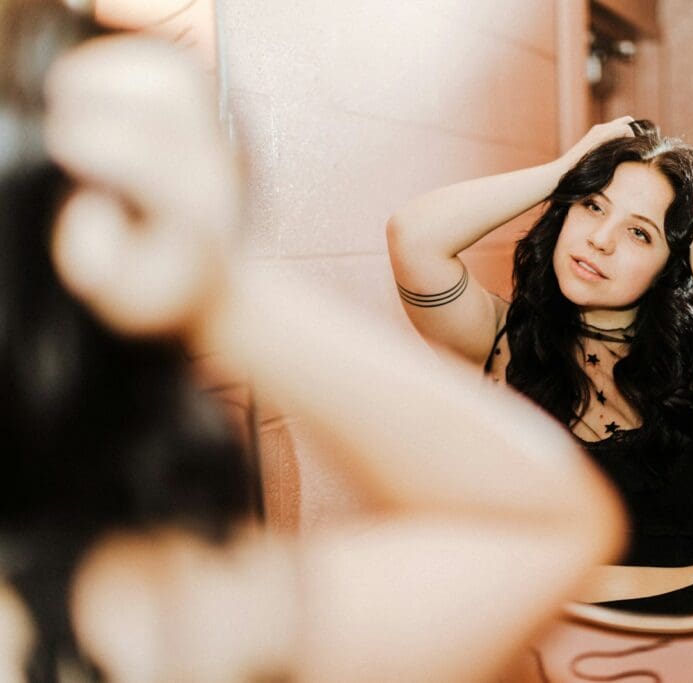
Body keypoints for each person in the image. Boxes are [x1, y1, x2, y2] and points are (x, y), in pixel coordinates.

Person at [0, 1, 626, 680]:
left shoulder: (177, 608)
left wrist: (217, 290)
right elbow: (415, 236)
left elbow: (540, 530)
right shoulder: (507, 326)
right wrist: (565, 171)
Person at [387, 117, 693, 615]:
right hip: (532, 652)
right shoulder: (500, 339)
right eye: (591, 205)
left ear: (673, 262)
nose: (600, 238)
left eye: (640, 234)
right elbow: (413, 236)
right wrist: (565, 169)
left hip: (681, 651)